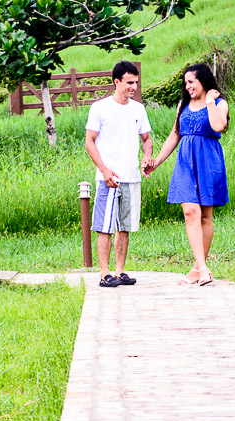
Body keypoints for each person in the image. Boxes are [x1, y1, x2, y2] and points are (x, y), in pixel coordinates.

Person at [146, 63, 229, 286]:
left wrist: (210, 101)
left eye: (191, 82)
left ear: (203, 80)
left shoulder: (220, 103)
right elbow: (175, 135)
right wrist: (157, 162)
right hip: (185, 163)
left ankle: (196, 269)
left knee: (205, 216)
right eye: (186, 83)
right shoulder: (183, 104)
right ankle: (203, 269)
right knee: (190, 212)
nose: (188, 86)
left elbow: (218, 125)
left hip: (209, 161)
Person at [85, 60, 153, 288]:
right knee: (104, 226)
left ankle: (120, 271)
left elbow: (147, 139)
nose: (133, 86)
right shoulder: (100, 108)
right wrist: (104, 170)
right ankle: (104, 273)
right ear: (117, 82)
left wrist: (147, 156)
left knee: (125, 226)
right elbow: (89, 141)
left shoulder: (138, 109)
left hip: (131, 177)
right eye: (129, 82)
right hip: (109, 179)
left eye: (135, 82)